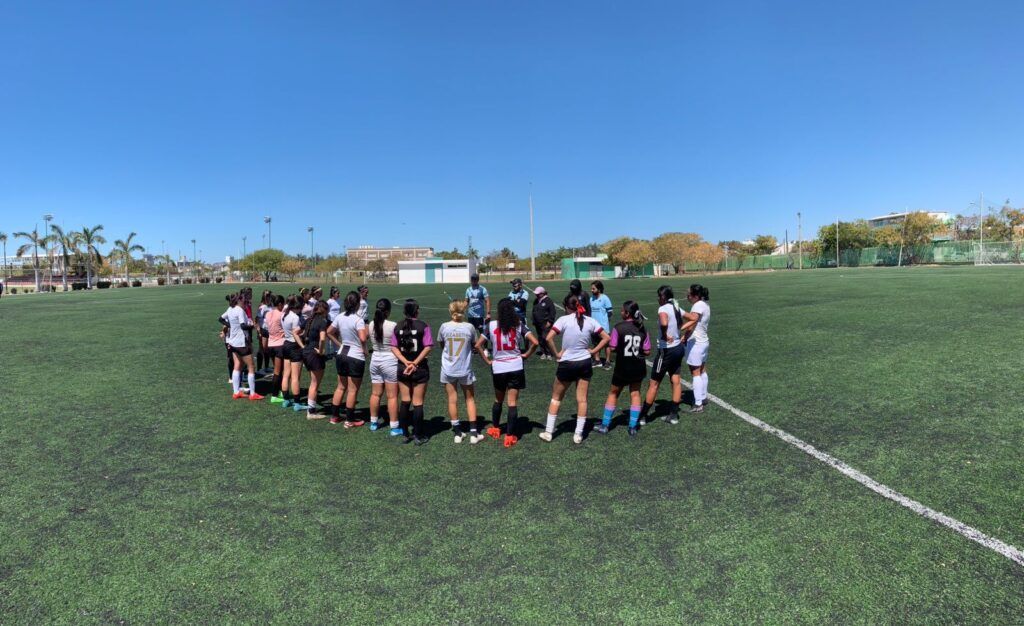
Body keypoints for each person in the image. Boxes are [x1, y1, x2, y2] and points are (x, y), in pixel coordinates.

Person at [541, 295, 610, 444]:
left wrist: (557, 354)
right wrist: (593, 351)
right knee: (582, 400)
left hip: (567, 363)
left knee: (556, 398)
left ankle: (548, 432)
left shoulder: (563, 320)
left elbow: (548, 338)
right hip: (584, 362)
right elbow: (606, 338)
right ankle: (578, 434)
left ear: (567, 307)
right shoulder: (590, 321)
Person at [484, 298, 539, 447]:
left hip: (498, 368)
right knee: (512, 402)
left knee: (498, 400)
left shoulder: (491, 325)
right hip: (515, 366)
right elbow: (535, 342)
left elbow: (478, 345)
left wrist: (487, 360)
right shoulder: (519, 324)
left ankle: (495, 428)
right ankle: (509, 436)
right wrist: (526, 354)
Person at [597, 301, 651, 437]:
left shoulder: (618, 327)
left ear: (627, 313)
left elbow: (613, 347)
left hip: (622, 367)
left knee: (613, 393)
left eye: (622, 311)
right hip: (638, 366)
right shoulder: (642, 328)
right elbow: (647, 350)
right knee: (635, 393)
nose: (620, 312)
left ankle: (604, 425)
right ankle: (632, 427)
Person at [438, 300, 487, 444]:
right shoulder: (469, 327)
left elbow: (442, 344)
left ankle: (458, 433)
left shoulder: (444, 327)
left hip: (448, 368)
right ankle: (473, 433)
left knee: (452, 399)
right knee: (470, 399)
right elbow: (474, 344)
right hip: (464, 368)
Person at [638, 286, 686, 426]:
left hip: (666, 352)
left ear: (663, 298)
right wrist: (684, 331)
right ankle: (673, 415)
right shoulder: (676, 307)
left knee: (654, 384)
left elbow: (664, 323)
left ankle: (643, 416)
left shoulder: (663, 308)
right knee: (676, 381)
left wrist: (664, 335)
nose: (658, 299)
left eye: (659, 296)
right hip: (678, 348)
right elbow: (694, 317)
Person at [391, 299, 433, 445]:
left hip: (403, 369)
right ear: (417, 311)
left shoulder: (398, 326)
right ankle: (418, 435)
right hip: (419, 368)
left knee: (405, 401)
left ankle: (405, 434)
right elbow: (428, 347)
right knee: (418, 402)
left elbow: (393, 347)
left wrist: (405, 361)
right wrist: (414, 363)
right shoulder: (424, 326)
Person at [327, 291, 368, 427]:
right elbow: (362, 338)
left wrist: (339, 344)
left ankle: (334, 416)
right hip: (355, 356)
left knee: (340, 387)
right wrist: (365, 348)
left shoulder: (340, 316)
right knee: (352, 389)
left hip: (342, 354)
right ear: (357, 304)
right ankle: (349, 420)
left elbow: (329, 332)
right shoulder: (358, 320)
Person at [220, 293, 264, 401]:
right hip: (241, 342)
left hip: (232, 341)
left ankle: (236, 392)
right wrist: (253, 326)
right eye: (244, 301)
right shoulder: (239, 310)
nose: (246, 302)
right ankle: (253, 394)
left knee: (238, 364)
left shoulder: (230, 309)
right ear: (239, 300)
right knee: (251, 367)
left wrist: (230, 325)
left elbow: (220, 318)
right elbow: (243, 326)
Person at [368, 298, 401, 434]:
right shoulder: (392, 325)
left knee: (376, 394)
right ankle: (394, 426)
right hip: (390, 360)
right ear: (387, 311)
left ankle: (374, 422)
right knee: (392, 396)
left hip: (375, 358)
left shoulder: (370, 324)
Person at [295, 300, 329, 419]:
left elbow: (295, 332)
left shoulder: (308, 320)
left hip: (305, 353)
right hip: (314, 354)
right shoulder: (322, 322)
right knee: (314, 384)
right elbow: (323, 338)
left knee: (312, 383)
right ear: (324, 311)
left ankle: (312, 408)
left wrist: (302, 346)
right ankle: (311, 412)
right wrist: (321, 350)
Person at [682, 284, 711, 413]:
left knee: (695, 372)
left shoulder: (697, 306)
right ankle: (703, 397)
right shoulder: (705, 304)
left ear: (695, 296)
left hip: (696, 343)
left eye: (689, 294)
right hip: (704, 341)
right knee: (702, 370)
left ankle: (698, 404)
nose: (687, 297)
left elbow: (692, 324)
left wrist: (684, 336)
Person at [279, 295, 304, 409]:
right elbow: (296, 333)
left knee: (286, 375)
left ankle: (285, 400)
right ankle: (297, 403)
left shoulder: (284, 314)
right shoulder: (295, 318)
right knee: (295, 377)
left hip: (286, 344)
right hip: (294, 346)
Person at [265, 295, 287, 403]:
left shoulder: (267, 314)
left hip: (271, 345)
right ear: (280, 304)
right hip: (280, 345)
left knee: (277, 370)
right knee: (278, 372)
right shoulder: (282, 315)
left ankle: (280, 392)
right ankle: (275, 395)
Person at [589, 280, 613, 368]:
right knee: (595, 343)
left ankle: (607, 361)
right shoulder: (591, 299)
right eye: (591, 288)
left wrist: (605, 322)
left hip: (603, 327)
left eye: (593, 289)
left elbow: (610, 312)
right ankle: (597, 360)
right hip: (593, 327)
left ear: (599, 289)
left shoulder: (605, 298)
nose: (591, 290)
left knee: (606, 344)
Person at [531, 286, 557, 360]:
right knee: (540, 338)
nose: (536, 295)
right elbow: (534, 311)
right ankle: (543, 352)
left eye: (538, 294)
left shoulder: (548, 301)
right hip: (537, 324)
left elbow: (553, 312)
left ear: (542, 293)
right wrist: (534, 320)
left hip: (546, 323)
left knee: (545, 338)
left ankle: (549, 353)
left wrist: (550, 321)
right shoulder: (536, 301)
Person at [464, 274, 491, 340]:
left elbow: (487, 301)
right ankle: (473, 347)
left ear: (478, 280)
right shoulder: (468, 290)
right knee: (471, 332)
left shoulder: (482, 289)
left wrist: (488, 313)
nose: (473, 281)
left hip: (479, 316)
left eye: (475, 279)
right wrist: (461, 307)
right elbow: (466, 301)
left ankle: (485, 348)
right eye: (472, 279)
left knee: (482, 332)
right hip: (470, 316)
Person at [325, 287, 341, 358]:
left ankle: (336, 351)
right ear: (333, 293)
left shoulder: (339, 301)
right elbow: (326, 311)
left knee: (336, 336)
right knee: (328, 337)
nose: (339, 294)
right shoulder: (329, 302)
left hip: (337, 321)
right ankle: (328, 353)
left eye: (339, 293)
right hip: (330, 321)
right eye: (337, 293)